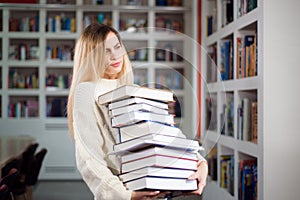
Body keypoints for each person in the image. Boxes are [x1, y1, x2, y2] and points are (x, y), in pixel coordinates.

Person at [67, 23, 208, 200]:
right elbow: (89, 160)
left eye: (117, 47)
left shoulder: (131, 89)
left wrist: (200, 162)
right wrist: (127, 196)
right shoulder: (87, 91)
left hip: (155, 187)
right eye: (105, 51)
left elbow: (162, 134)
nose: (115, 55)